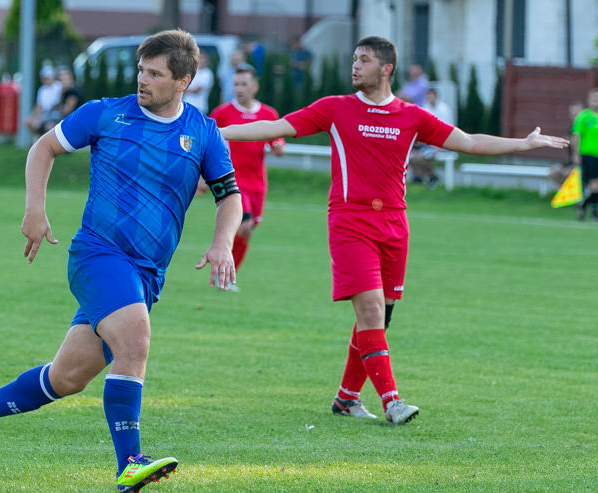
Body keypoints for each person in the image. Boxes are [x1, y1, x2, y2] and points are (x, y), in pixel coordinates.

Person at [0, 29, 243, 493]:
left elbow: (230, 197)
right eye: (141, 70)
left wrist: (223, 242)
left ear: (184, 80)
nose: (142, 80)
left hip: (146, 274)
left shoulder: (202, 134)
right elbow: (43, 147)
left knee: (67, 377)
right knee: (136, 339)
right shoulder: (107, 113)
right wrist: (34, 208)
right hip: (97, 255)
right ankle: (130, 463)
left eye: (155, 73)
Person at [220, 35, 568, 424]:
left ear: (386, 69)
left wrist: (524, 144)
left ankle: (346, 398)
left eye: (364, 60)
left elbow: (468, 141)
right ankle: (392, 402)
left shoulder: (412, 115)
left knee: (380, 318)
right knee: (369, 310)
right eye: (354, 59)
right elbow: (276, 127)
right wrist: (220, 132)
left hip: (395, 224)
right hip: (350, 221)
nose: (355, 66)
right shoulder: (335, 108)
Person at [209, 64, 285, 280]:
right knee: (244, 225)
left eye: (243, 84)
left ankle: (225, 272)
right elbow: (210, 143)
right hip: (232, 180)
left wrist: (279, 147)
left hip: (257, 183)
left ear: (254, 86)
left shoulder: (268, 113)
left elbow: (276, 140)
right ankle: (224, 273)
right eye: (235, 84)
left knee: (246, 232)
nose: (239, 88)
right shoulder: (222, 113)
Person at [409, 87, 455, 186]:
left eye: (431, 95)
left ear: (436, 96)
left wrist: (439, 148)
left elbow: (448, 130)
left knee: (420, 157)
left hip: (443, 144)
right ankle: (431, 176)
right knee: (411, 157)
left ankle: (430, 177)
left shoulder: (444, 109)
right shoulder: (425, 109)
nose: (429, 98)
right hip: (428, 143)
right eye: (427, 96)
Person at [573, 88, 598, 222]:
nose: (596, 101)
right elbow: (576, 136)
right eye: (594, 98)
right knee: (594, 185)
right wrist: (576, 154)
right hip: (589, 155)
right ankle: (595, 213)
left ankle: (583, 205)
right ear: (589, 100)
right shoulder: (584, 116)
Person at [38, 66, 83, 134]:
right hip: (67, 120)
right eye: (61, 80)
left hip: (74, 122)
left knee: (48, 126)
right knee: (42, 123)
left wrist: (54, 112)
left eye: (65, 79)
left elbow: (66, 111)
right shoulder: (65, 92)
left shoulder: (73, 92)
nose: (63, 82)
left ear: (70, 79)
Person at [24, 64, 63, 137]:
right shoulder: (42, 90)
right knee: (28, 122)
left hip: (54, 113)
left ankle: (44, 141)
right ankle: (40, 139)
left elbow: (58, 103)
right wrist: (34, 115)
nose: (46, 80)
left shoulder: (59, 86)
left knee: (46, 125)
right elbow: (39, 106)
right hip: (45, 114)